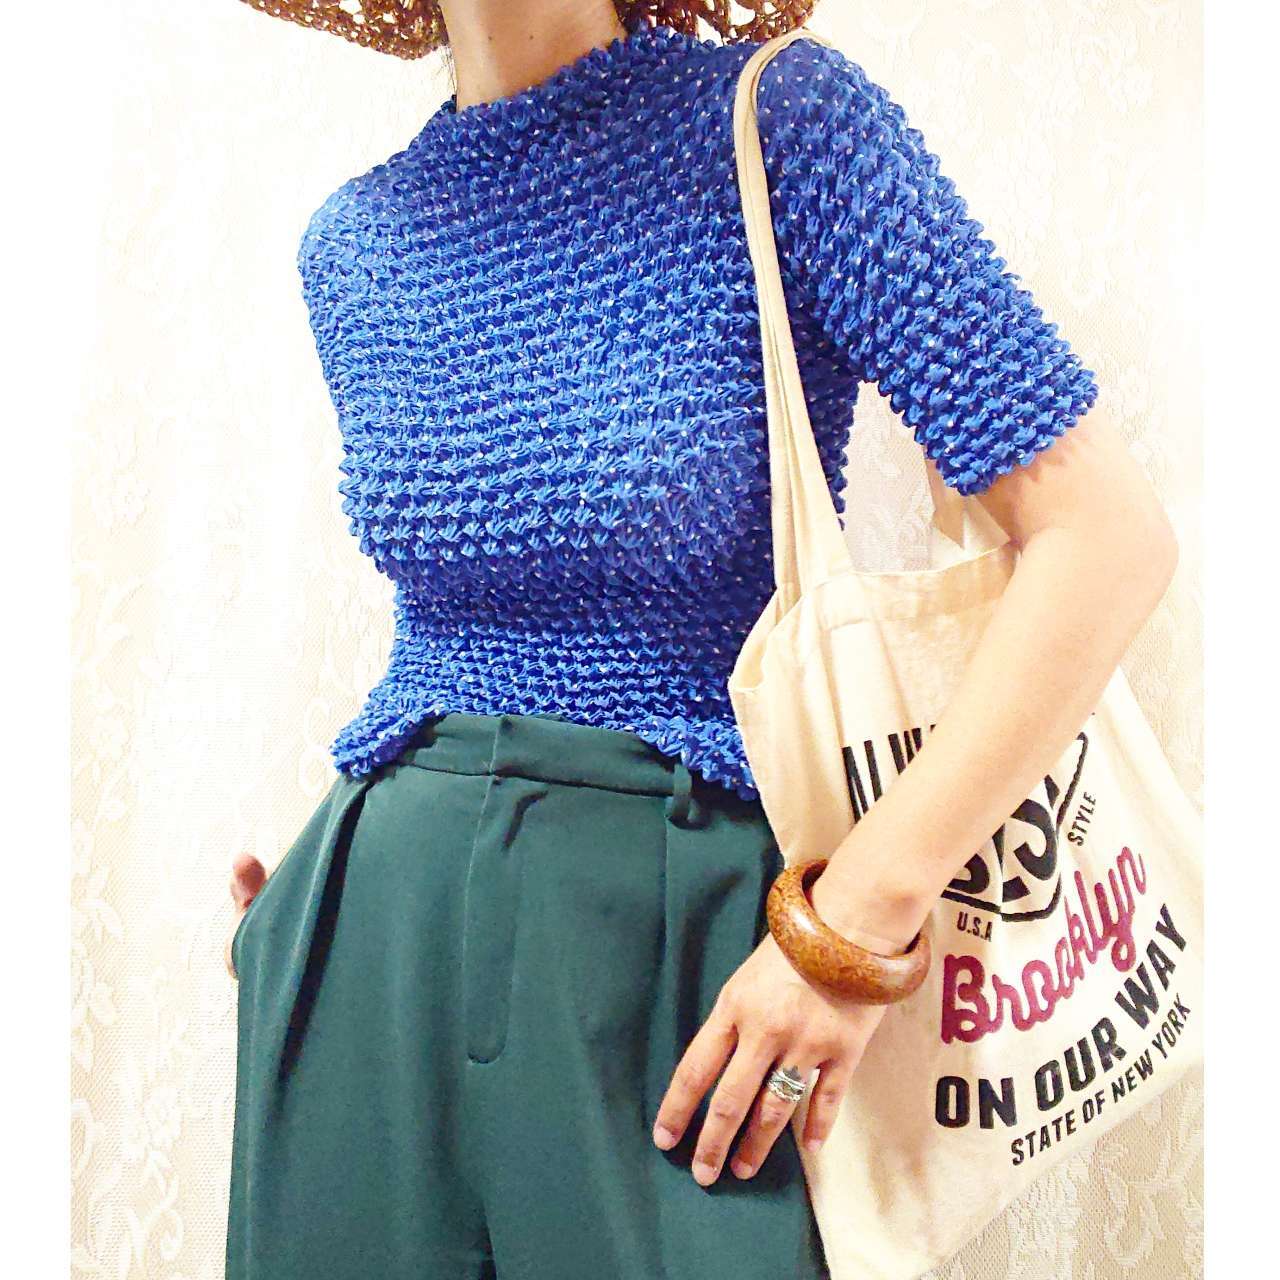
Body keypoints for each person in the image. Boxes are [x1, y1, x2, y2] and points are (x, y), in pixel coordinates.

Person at [223, 2, 1179, 1278]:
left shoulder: (780, 128)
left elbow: (1102, 537)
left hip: (683, 942)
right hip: (369, 938)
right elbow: (450, 612)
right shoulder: (355, 239)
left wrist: (852, 928)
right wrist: (316, 893)